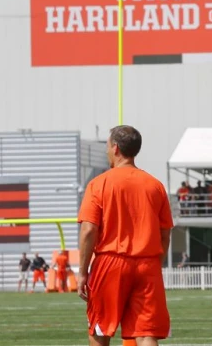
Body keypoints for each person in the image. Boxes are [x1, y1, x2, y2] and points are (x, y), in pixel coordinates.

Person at [77, 125, 173, 346]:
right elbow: (165, 233)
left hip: (111, 261)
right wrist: (154, 264)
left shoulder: (99, 183)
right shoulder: (155, 185)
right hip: (147, 263)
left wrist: (83, 273)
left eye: (108, 147)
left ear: (116, 148)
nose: (107, 152)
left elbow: (89, 230)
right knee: (146, 332)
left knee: (100, 329)